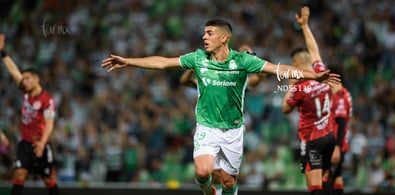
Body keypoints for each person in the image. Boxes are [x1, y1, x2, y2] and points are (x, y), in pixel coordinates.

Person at [102, 18, 339, 195]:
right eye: (204, 33)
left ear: (224, 38)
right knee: (203, 172)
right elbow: (164, 63)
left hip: (233, 130)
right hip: (207, 127)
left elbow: (278, 69)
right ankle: (208, 192)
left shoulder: (242, 60)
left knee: (228, 182)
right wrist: (128, 61)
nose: (204, 37)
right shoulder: (198, 58)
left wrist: (313, 76)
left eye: (209, 33)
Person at [179, 44, 265, 195]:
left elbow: (261, 76)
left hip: (232, 127)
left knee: (225, 176)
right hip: (211, 125)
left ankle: (225, 191)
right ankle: (213, 191)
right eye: (243, 52)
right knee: (213, 172)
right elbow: (184, 82)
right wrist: (194, 68)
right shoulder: (213, 76)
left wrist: (252, 58)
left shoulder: (242, 80)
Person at [282, 6, 335, 195]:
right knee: (323, 178)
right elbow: (314, 50)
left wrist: (290, 83)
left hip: (312, 140)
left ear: (296, 64)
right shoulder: (320, 71)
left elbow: (285, 109)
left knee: (314, 186)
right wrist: (305, 27)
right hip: (329, 135)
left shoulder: (300, 86)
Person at [0, 34, 60, 195]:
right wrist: (3, 52)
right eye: (24, 78)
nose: (23, 81)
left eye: (27, 78)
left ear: (36, 79)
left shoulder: (47, 100)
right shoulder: (25, 92)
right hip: (25, 144)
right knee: (19, 174)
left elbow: (49, 123)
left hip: (40, 143)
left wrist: (42, 143)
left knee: (48, 179)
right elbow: (14, 72)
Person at [329, 64, 353, 195]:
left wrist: (337, 147)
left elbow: (342, 122)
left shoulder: (341, 95)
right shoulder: (343, 94)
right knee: (337, 177)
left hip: (336, 145)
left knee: (327, 178)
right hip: (338, 144)